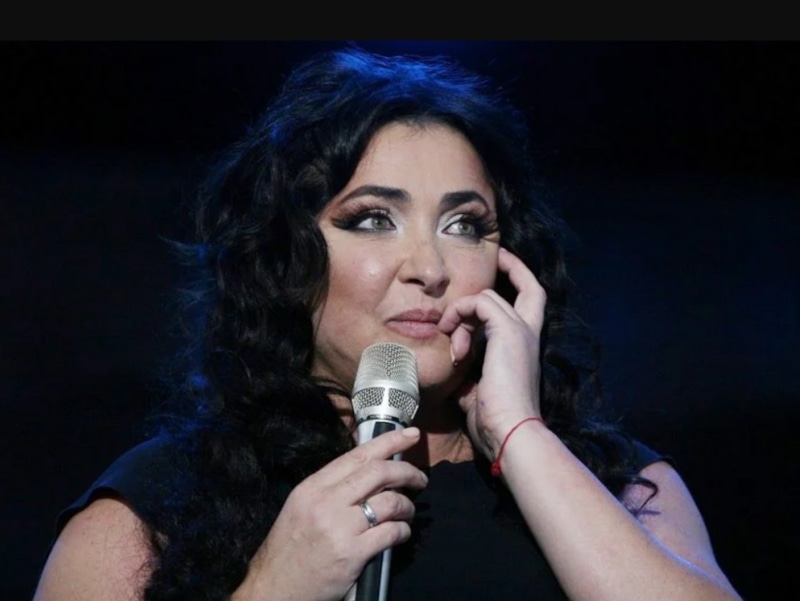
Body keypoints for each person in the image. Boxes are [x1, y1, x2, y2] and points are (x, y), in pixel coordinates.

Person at [33, 45, 743, 601]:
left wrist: (519, 435)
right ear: (284, 259)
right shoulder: (161, 502)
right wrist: (273, 587)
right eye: (373, 219)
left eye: (465, 225)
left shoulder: (621, 485)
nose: (429, 267)